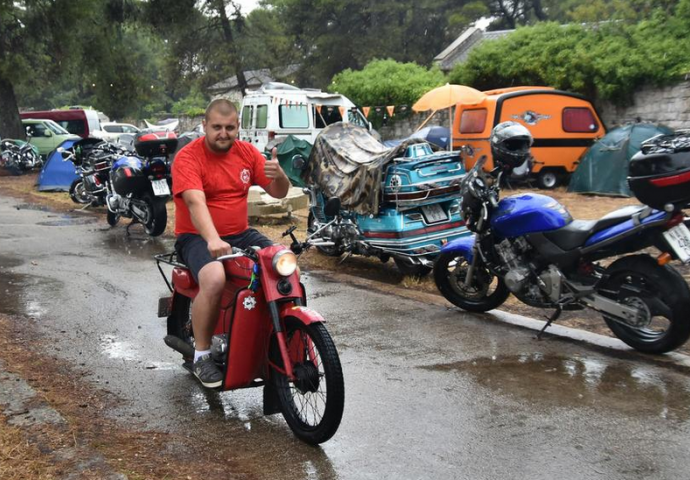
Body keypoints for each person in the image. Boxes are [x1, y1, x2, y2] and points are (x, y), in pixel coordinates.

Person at [172, 99, 290, 388]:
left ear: (238, 127)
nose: (223, 133)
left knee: (284, 263)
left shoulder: (247, 152)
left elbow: (278, 193)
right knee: (214, 277)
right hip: (196, 236)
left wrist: (280, 174)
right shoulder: (188, 157)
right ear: (204, 126)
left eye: (229, 127)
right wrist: (212, 239)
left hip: (239, 232)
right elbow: (194, 202)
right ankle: (201, 356)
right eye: (216, 127)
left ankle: (283, 339)